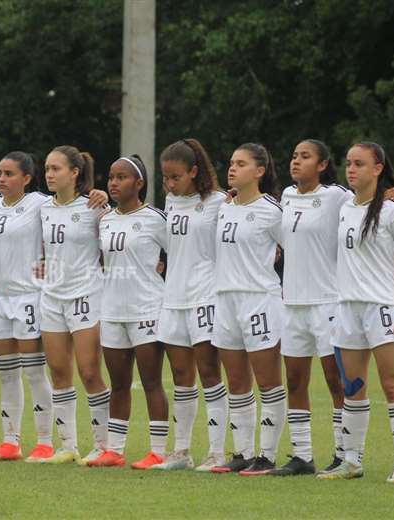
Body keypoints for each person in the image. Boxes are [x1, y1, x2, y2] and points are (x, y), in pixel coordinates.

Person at [317, 142, 394, 484]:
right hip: (347, 309)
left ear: (377, 169)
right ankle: (352, 461)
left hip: (383, 309)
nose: (351, 169)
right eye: (348, 163)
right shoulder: (345, 204)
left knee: (393, 385)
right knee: (353, 388)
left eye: (359, 163)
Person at [269, 140, 351, 476]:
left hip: (327, 302)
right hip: (292, 303)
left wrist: (392, 195)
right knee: (295, 380)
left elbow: (369, 204)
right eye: (293, 156)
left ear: (322, 164)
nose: (296, 161)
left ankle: (344, 453)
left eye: (305, 157)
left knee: (336, 381)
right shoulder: (286, 197)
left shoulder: (335, 196)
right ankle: (302, 456)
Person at [86, 155, 169, 469]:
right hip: (112, 310)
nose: (114, 182)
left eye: (122, 177)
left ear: (140, 183)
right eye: (111, 177)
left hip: (147, 308)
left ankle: (158, 451)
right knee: (119, 384)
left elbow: (181, 254)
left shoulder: (155, 218)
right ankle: (115, 450)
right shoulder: (104, 219)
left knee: (151, 382)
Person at [210, 143, 286, 476]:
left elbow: (295, 247)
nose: (232, 168)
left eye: (241, 164)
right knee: (237, 381)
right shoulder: (225, 206)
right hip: (225, 299)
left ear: (259, 171)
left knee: (268, 381)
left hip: (259, 299)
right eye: (231, 162)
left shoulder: (272, 209)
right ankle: (242, 452)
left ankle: (267, 456)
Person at [154, 139, 228, 471]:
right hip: (173, 298)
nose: (170, 184)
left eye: (176, 177)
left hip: (205, 296)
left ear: (194, 172)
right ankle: (181, 452)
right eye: (166, 178)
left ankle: (217, 452)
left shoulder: (219, 203)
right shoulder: (170, 202)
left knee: (210, 373)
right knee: (181, 375)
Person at [0, 152, 55, 462]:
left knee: (35, 373)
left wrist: (98, 194)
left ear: (26, 178)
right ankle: (10, 442)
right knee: (7, 374)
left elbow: (68, 209)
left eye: (9, 173)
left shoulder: (40, 203)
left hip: (28, 297)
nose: (2, 178)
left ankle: (45, 442)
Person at [38, 145, 110, 465]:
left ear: (75, 173)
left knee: (89, 370)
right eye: (47, 169)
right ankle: (67, 446)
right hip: (51, 296)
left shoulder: (95, 207)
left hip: (86, 294)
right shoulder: (42, 208)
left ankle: (103, 445)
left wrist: (105, 196)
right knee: (58, 371)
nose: (50, 174)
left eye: (56, 169)